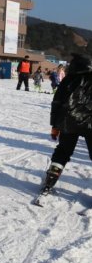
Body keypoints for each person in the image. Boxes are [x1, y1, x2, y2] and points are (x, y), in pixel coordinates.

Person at [41, 53, 92, 192]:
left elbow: (56, 103)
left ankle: (49, 182)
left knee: (63, 152)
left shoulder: (67, 80)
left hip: (68, 122)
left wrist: (54, 126)